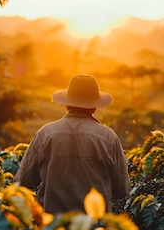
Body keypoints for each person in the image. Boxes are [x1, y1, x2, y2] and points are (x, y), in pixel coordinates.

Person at [15, 74, 131, 214]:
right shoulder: (108, 137)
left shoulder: (45, 134)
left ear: (67, 104)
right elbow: (122, 190)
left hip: (54, 228)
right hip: (95, 229)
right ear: (94, 107)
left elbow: (23, 182)